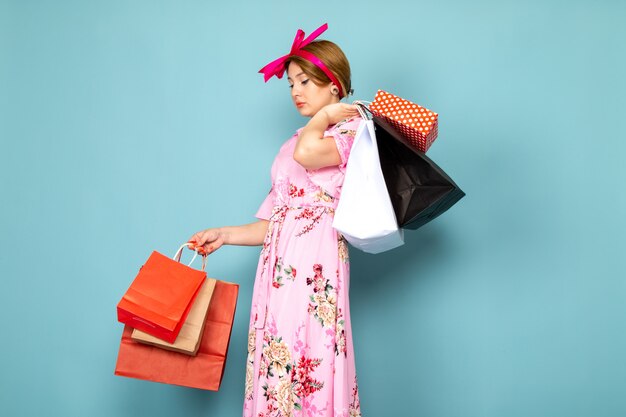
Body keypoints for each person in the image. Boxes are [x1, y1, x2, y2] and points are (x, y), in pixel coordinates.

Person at [188, 24, 363, 417]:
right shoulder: (295, 140)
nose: (295, 91)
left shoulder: (354, 130)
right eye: (290, 84)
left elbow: (309, 156)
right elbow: (276, 218)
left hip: (317, 265)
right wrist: (225, 234)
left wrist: (330, 116)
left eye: (304, 81)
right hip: (278, 268)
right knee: (278, 356)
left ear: (334, 84)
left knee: (312, 354)